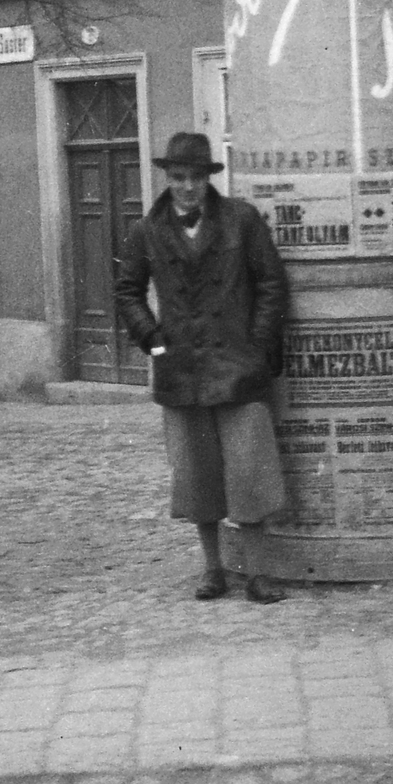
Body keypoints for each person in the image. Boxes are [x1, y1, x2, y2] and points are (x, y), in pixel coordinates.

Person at [116, 132, 290, 603]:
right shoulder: (146, 231)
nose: (187, 187)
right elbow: (127, 291)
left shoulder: (241, 220)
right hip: (182, 370)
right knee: (197, 476)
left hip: (237, 368)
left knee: (250, 472)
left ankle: (258, 573)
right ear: (167, 179)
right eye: (178, 178)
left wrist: (256, 346)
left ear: (209, 177)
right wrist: (153, 342)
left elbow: (271, 284)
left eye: (195, 177)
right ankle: (213, 569)